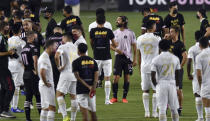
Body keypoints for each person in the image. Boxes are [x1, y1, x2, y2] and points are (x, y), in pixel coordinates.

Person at [90, 15, 117, 105]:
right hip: (107, 57)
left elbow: (91, 42)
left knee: (94, 78)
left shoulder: (92, 31)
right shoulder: (109, 31)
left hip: (96, 57)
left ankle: (92, 100)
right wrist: (116, 44)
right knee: (107, 78)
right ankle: (106, 100)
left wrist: (95, 48)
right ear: (105, 22)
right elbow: (114, 44)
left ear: (96, 22)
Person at [151, 39, 180, 121]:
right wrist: (177, 87)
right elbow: (178, 74)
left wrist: (156, 85)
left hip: (161, 84)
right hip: (172, 83)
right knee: (174, 108)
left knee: (162, 109)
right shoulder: (175, 58)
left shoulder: (156, 59)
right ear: (169, 47)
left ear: (159, 47)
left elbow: (152, 75)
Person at [110, 16, 137, 103]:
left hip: (128, 58)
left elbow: (134, 46)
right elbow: (110, 45)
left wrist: (135, 59)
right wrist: (115, 49)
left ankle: (124, 97)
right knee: (115, 78)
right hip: (118, 57)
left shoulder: (130, 33)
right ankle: (114, 97)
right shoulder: (114, 33)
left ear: (124, 22)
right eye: (117, 19)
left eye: (119, 20)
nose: (116, 21)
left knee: (127, 78)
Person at [137, 20, 161, 118]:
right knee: (155, 90)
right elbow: (160, 53)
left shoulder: (139, 38)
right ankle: (154, 112)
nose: (156, 26)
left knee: (145, 90)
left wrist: (139, 67)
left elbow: (138, 55)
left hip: (144, 66)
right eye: (155, 25)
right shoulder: (157, 38)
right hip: (154, 68)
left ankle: (147, 112)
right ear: (152, 27)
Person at [55, 33, 79, 121]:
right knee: (73, 96)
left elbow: (56, 56)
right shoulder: (76, 47)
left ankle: (65, 117)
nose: (62, 40)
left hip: (66, 74)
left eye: (62, 38)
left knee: (59, 94)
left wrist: (59, 67)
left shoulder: (63, 46)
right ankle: (73, 119)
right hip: (75, 75)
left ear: (65, 38)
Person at [72, 43, 98, 121]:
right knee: (93, 113)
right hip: (91, 92)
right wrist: (92, 87)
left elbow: (78, 77)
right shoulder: (93, 61)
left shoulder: (76, 62)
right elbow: (96, 76)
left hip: (81, 91)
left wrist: (88, 87)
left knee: (85, 114)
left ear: (78, 51)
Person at [88, 8, 112, 88]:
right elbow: (110, 39)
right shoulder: (108, 25)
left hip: (96, 49)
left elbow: (91, 40)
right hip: (106, 50)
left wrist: (93, 48)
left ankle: (97, 81)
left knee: (97, 68)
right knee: (106, 68)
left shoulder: (91, 26)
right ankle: (102, 81)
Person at [166, 26, 187, 115]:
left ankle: (179, 109)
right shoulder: (167, 43)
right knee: (167, 89)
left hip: (177, 71)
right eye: (170, 31)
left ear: (176, 33)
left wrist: (180, 66)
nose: (170, 33)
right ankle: (166, 107)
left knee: (178, 90)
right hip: (167, 70)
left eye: (172, 32)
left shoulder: (180, 44)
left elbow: (185, 56)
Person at [21, 31, 41, 121]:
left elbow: (23, 63)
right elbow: (35, 60)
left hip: (25, 74)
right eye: (34, 37)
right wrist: (36, 71)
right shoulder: (33, 48)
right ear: (32, 37)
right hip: (32, 74)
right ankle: (42, 117)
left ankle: (28, 118)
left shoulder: (23, 48)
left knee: (28, 96)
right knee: (37, 95)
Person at [8, 23, 26, 113]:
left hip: (9, 64)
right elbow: (24, 53)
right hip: (18, 65)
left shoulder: (8, 40)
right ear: (20, 31)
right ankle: (14, 107)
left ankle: (11, 106)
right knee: (16, 87)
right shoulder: (21, 41)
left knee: (10, 86)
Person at [0, 21, 16, 118]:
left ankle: (1, 110)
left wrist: (11, 54)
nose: (8, 29)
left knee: (4, 89)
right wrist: (8, 53)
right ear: (2, 27)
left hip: (3, 67)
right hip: (2, 68)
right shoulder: (0, 37)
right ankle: (5, 110)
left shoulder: (4, 37)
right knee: (11, 87)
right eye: (7, 27)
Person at [38, 40, 56, 121]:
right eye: (55, 46)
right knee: (51, 108)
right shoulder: (44, 58)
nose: (56, 48)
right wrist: (46, 83)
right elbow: (42, 71)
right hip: (46, 85)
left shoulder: (45, 56)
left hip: (43, 84)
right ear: (50, 47)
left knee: (45, 108)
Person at [187, 31, 203, 121]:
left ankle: (200, 117)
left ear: (195, 38)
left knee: (197, 95)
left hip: (197, 74)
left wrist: (189, 74)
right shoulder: (208, 47)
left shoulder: (192, 49)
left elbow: (189, 62)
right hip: (208, 74)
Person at [196, 37, 210, 121]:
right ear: (208, 44)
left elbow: (199, 74)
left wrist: (200, 84)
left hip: (206, 83)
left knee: (207, 107)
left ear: (200, 45)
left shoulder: (199, 56)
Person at [48, 26, 63, 90]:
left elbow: (47, 50)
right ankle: (63, 89)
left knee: (54, 75)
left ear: (54, 31)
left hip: (53, 59)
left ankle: (56, 88)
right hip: (63, 59)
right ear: (61, 31)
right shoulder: (64, 38)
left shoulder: (50, 38)